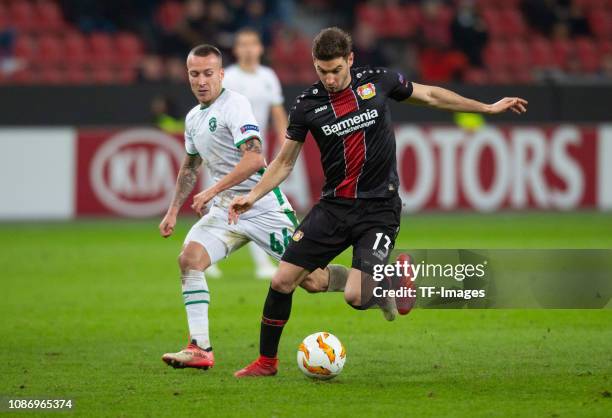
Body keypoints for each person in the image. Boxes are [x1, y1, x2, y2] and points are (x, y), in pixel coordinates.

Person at [229, 27, 528, 377]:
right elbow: (284, 162)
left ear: (350, 60)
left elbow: (430, 95)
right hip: (334, 207)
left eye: (336, 70)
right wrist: (252, 196)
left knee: (356, 297)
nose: (329, 78)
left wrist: (486, 107)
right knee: (286, 281)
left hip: (379, 209)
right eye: (321, 71)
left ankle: (389, 280)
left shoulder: (378, 82)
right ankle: (266, 363)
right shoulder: (307, 105)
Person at [158, 44, 349, 370]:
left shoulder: (236, 105)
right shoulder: (193, 118)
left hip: (262, 207)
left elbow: (254, 158)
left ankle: (374, 281)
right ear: (187, 76)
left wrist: (212, 189)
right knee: (189, 260)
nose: (202, 81)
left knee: (313, 281)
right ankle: (199, 347)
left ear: (221, 74)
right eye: (195, 74)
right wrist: (173, 209)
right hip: (224, 211)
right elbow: (189, 167)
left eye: (208, 73)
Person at [215, 28, 287, 279]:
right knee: (234, 204)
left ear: (260, 48)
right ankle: (212, 254)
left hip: (257, 154)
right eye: (242, 44)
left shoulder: (268, 76)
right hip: (229, 153)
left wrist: (286, 143)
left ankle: (260, 263)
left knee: (252, 203)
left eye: (252, 44)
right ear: (236, 50)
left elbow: (277, 112)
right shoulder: (229, 78)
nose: (247, 49)